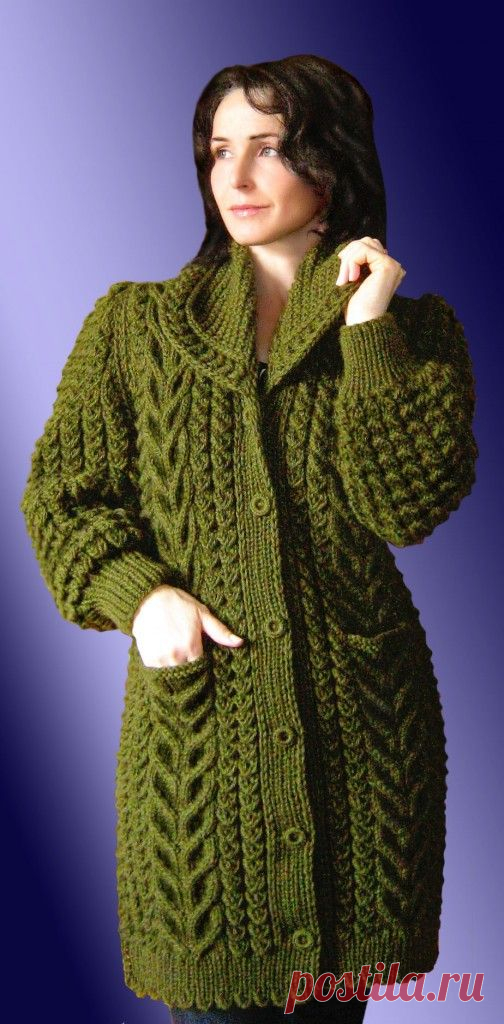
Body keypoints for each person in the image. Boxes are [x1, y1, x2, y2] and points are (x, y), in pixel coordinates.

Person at [20, 55, 478, 1023]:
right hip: (204, 762)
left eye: (267, 148)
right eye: (218, 149)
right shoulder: (134, 328)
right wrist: (143, 595)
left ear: (332, 165)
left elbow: (407, 505)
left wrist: (368, 331)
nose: (233, 175)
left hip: (360, 756)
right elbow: (63, 499)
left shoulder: (415, 331)